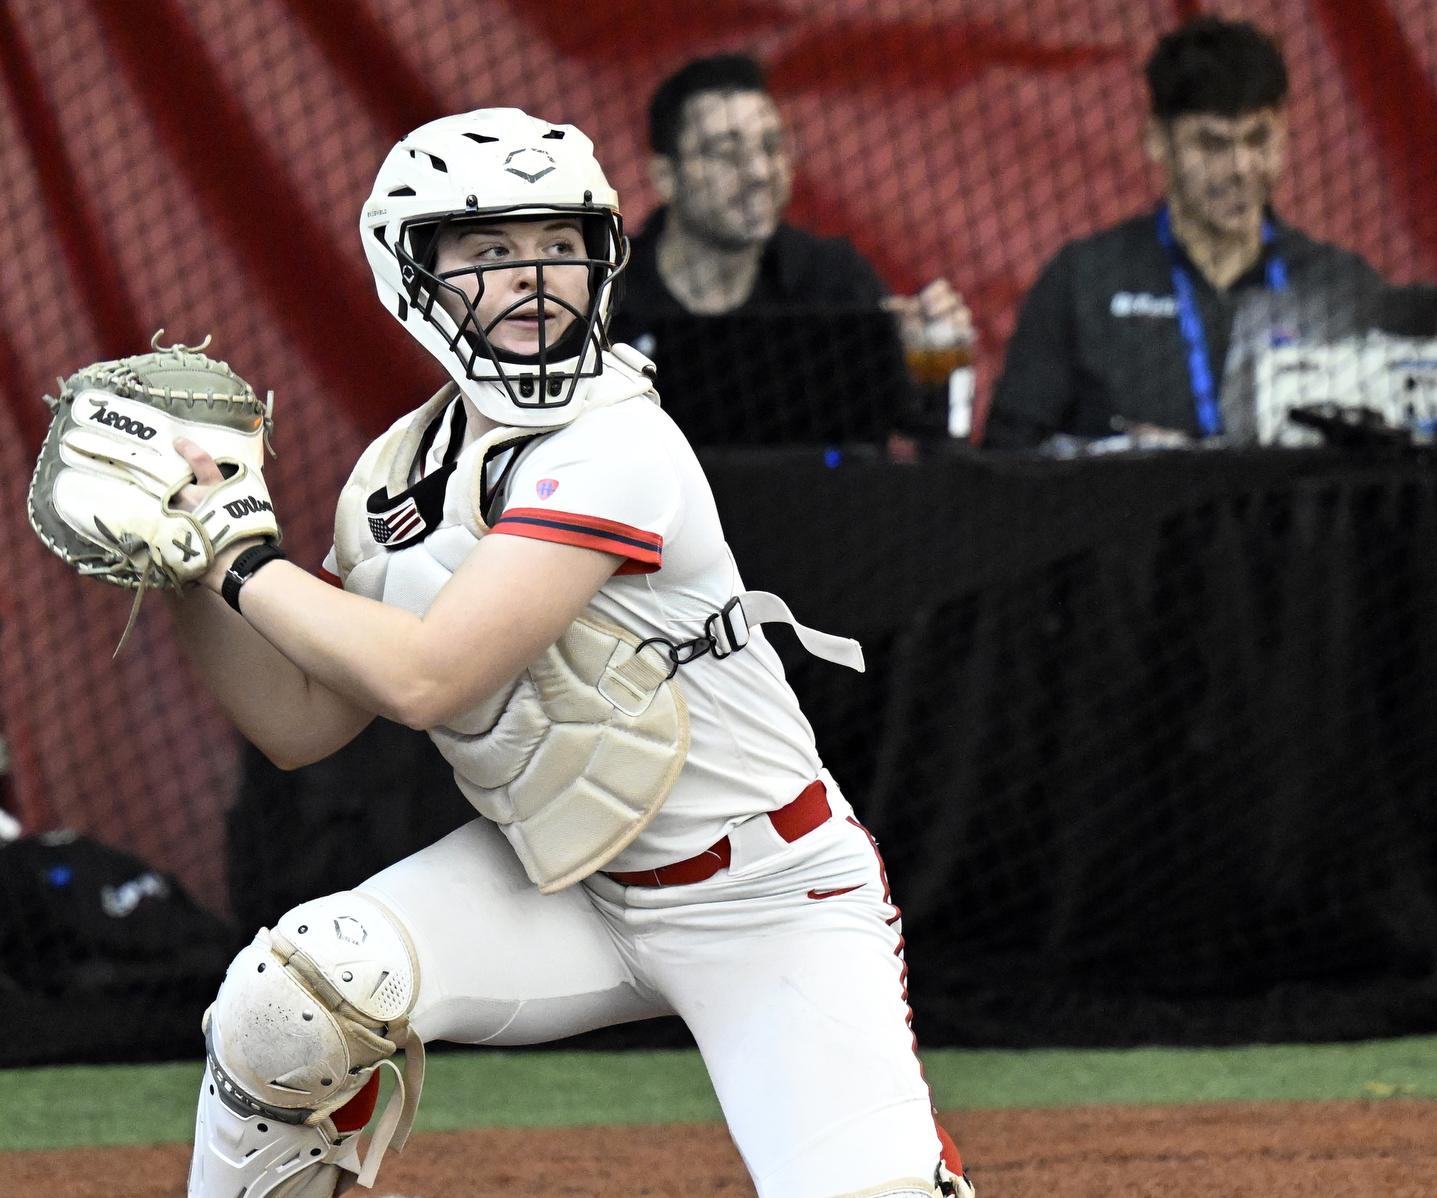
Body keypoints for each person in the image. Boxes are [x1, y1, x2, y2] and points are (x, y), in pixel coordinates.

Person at [165, 109, 972, 1198]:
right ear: (412, 272)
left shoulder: (620, 439)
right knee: (295, 992)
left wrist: (239, 560)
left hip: (764, 893)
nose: (533, 276)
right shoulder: (396, 471)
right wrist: (175, 559)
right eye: (490, 253)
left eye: (556, 244)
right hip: (564, 883)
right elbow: (300, 725)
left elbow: (426, 676)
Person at [987, 17, 1388, 451]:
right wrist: (1120, 464)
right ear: (1157, 141)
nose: (1240, 168)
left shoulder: (1341, 287)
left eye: (1258, 140)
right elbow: (1006, 459)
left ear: (1285, 134)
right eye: (1212, 145)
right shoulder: (1084, 281)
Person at [610, 54, 973, 385]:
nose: (760, 171)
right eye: (727, 152)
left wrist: (921, 358)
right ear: (666, 177)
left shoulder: (833, 284)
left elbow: (916, 432)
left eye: (771, 147)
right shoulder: (610, 298)